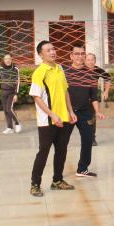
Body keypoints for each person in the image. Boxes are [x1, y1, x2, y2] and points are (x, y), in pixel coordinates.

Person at [28, 40, 77, 197]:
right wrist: (52, 115)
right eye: (48, 50)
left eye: (53, 49)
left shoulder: (60, 68)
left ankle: (57, 180)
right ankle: (35, 184)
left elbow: (65, 91)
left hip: (63, 119)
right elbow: (37, 97)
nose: (52, 52)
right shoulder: (40, 72)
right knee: (43, 152)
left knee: (61, 151)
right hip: (47, 121)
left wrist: (70, 111)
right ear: (41, 54)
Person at [63, 47, 106, 178]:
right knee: (62, 143)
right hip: (68, 112)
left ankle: (82, 168)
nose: (80, 56)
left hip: (85, 112)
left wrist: (97, 111)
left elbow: (93, 96)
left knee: (88, 140)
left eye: (82, 54)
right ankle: (58, 173)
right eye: (77, 54)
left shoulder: (90, 74)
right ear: (71, 56)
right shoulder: (64, 72)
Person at [0, 53, 21, 134]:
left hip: (12, 92)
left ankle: (17, 123)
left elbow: (18, 83)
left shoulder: (15, 69)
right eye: (6, 59)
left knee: (9, 109)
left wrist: (16, 94)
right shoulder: (1, 69)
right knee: (5, 111)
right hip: (3, 92)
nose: (7, 60)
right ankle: (10, 127)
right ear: (3, 60)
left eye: (9, 59)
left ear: (11, 59)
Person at [84, 53, 110, 146]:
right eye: (88, 60)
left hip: (93, 98)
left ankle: (92, 138)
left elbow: (108, 78)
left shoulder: (97, 70)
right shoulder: (81, 69)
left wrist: (106, 91)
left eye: (92, 60)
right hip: (82, 98)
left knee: (92, 119)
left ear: (95, 61)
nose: (90, 62)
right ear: (85, 61)